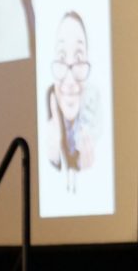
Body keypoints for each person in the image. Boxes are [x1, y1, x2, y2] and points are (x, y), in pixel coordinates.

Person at [44, 11, 96, 192]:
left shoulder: (96, 120)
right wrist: (53, 159)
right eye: (61, 58)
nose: (70, 79)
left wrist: (89, 175)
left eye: (79, 58)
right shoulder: (46, 110)